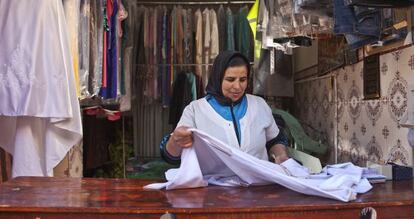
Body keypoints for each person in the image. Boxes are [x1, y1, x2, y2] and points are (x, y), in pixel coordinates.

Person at [160, 51, 289, 165]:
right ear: (218, 78)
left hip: (258, 187)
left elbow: (274, 140)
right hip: (214, 189)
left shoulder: (259, 105)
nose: (237, 87)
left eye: (243, 79)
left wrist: (281, 155)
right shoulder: (195, 110)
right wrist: (176, 140)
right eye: (230, 79)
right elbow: (170, 157)